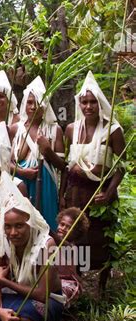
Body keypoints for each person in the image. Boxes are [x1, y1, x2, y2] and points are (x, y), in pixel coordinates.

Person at [61, 71, 126, 292]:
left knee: (99, 237)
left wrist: (109, 193)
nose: (88, 106)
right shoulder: (71, 129)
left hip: (98, 193)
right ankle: (75, 279)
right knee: (75, 235)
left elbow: (122, 166)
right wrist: (63, 193)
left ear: (100, 103)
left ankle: (101, 285)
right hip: (75, 192)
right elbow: (67, 167)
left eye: (93, 102)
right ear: (79, 103)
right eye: (84, 102)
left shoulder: (112, 131)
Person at [0, 180, 64, 321]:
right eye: (8, 226)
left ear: (30, 223)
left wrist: (5, 281)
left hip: (46, 298)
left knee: (25, 320)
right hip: (12, 295)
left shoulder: (46, 244)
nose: (12, 233)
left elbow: (41, 294)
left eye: (19, 226)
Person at [10, 76, 65, 230]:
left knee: (46, 225)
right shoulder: (15, 129)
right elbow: (5, 161)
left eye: (38, 102)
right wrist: (22, 171)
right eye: (29, 102)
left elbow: (63, 167)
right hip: (20, 183)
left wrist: (47, 150)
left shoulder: (55, 130)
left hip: (46, 184)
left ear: (45, 105)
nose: (33, 107)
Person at [51, 208, 90, 306]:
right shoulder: (50, 242)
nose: (63, 228)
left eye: (68, 227)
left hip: (67, 283)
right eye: (62, 224)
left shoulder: (71, 247)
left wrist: (45, 227)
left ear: (76, 232)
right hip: (52, 280)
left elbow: (62, 244)